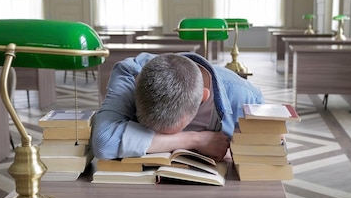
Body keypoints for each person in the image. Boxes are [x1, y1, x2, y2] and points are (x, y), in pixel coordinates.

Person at [91, 52, 264, 161]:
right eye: (152, 131)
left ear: (203, 97)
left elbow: (269, 156)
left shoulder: (246, 97)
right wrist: (194, 139)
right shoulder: (130, 74)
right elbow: (103, 141)